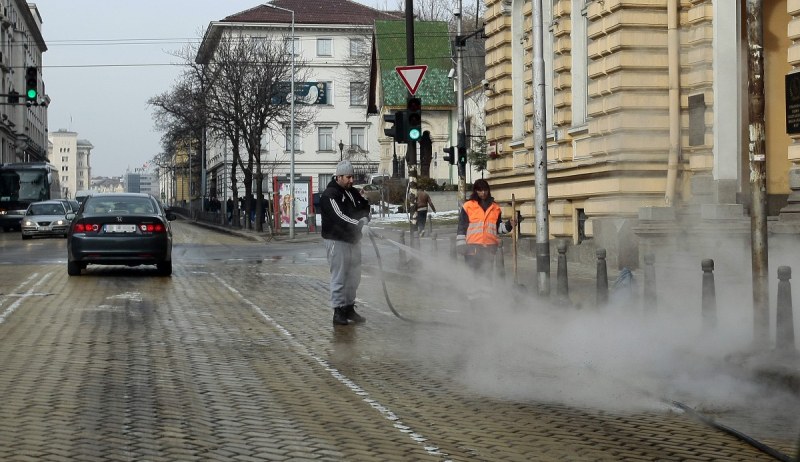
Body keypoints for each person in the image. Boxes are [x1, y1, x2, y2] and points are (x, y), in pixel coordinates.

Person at [321, 160, 372, 326]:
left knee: (354, 276)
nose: (352, 180)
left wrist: (365, 217)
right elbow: (339, 217)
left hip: (353, 240)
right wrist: (359, 224)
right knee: (340, 276)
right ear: (339, 176)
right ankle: (338, 310)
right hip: (337, 240)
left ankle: (349, 307)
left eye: (352, 177)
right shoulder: (331, 194)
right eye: (348, 177)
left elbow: (364, 206)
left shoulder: (352, 192)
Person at [456, 179, 515, 274]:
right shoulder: (468, 206)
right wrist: (461, 244)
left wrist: (509, 225)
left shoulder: (495, 208)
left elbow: (497, 228)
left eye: (485, 190)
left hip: (489, 248)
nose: (483, 193)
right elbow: (462, 226)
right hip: (472, 248)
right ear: (475, 191)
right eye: (480, 190)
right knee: (472, 276)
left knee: (486, 276)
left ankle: (487, 289)